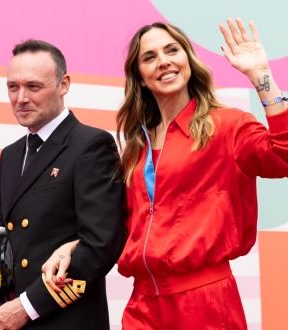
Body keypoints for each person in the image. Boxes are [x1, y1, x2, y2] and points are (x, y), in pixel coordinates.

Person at [114, 18, 288, 329]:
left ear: (188, 61)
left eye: (172, 50)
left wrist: (262, 76)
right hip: (142, 305)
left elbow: (283, 155)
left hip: (204, 302)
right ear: (139, 77)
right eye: (149, 57)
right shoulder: (136, 145)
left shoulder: (227, 125)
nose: (164, 61)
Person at [0, 40, 123, 329]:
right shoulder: (10, 155)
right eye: (13, 87)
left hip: (67, 319)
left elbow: (100, 246)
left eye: (34, 87)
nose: (21, 98)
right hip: (10, 320)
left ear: (64, 84)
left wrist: (27, 306)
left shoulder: (91, 145)